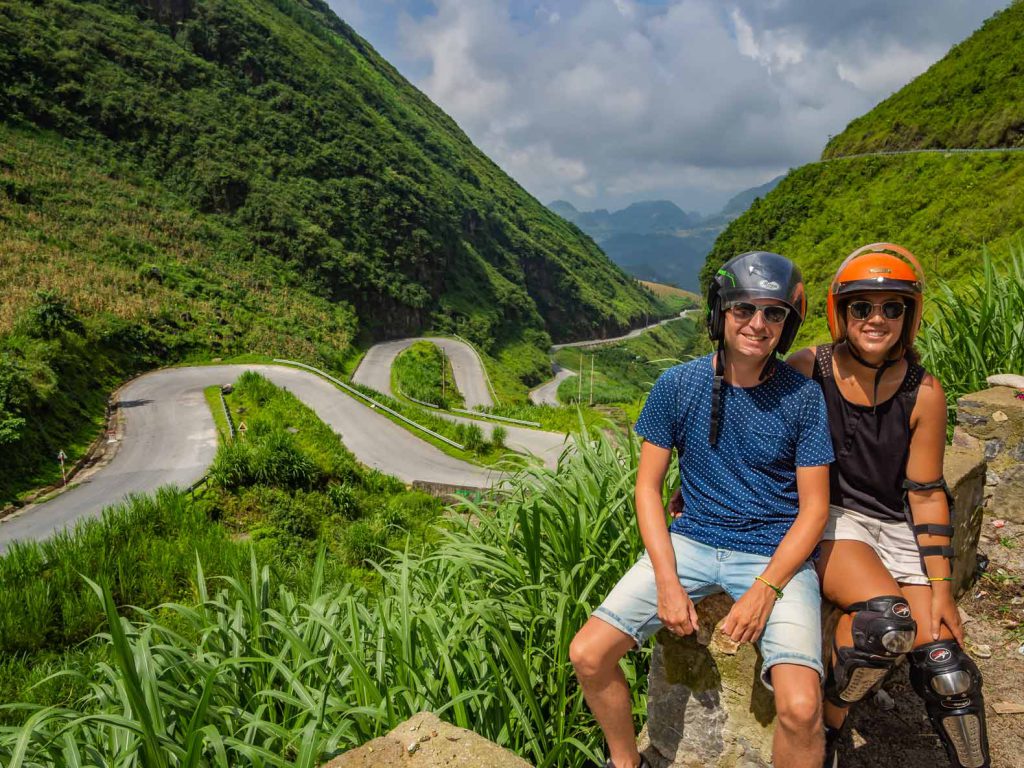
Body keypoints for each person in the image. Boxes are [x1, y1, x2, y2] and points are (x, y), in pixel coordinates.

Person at [569, 251, 835, 768]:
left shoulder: (802, 398)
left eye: (773, 313)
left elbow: (814, 510)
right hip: (690, 540)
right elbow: (648, 488)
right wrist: (667, 580)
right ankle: (626, 762)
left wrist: (767, 589)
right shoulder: (678, 385)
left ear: (787, 323)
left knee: (801, 708)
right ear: (721, 313)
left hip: (772, 553)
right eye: (743, 310)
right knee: (588, 654)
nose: (757, 324)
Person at [786, 243, 990, 768]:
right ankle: (831, 725)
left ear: (908, 316)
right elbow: (762, 429)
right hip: (831, 517)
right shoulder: (812, 367)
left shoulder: (924, 393)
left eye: (891, 308)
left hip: (892, 523)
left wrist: (941, 589)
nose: (876, 319)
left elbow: (924, 492)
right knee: (885, 625)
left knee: (949, 672)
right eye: (862, 307)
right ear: (842, 312)